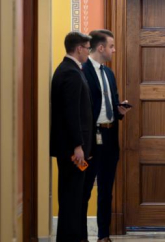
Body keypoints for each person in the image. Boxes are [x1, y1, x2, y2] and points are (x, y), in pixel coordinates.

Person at [80, 29, 131, 242]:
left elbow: (113, 101)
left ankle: (103, 236)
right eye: (111, 46)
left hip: (110, 138)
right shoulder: (82, 71)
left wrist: (120, 111)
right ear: (100, 48)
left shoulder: (109, 73)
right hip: (91, 139)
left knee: (106, 190)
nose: (114, 50)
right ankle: (81, 236)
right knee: (84, 191)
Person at [50, 31, 94, 242]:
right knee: (71, 198)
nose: (88, 52)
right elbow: (71, 113)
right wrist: (78, 145)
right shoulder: (70, 73)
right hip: (72, 148)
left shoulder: (69, 70)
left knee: (72, 197)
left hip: (70, 146)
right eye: (87, 48)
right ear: (79, 48)